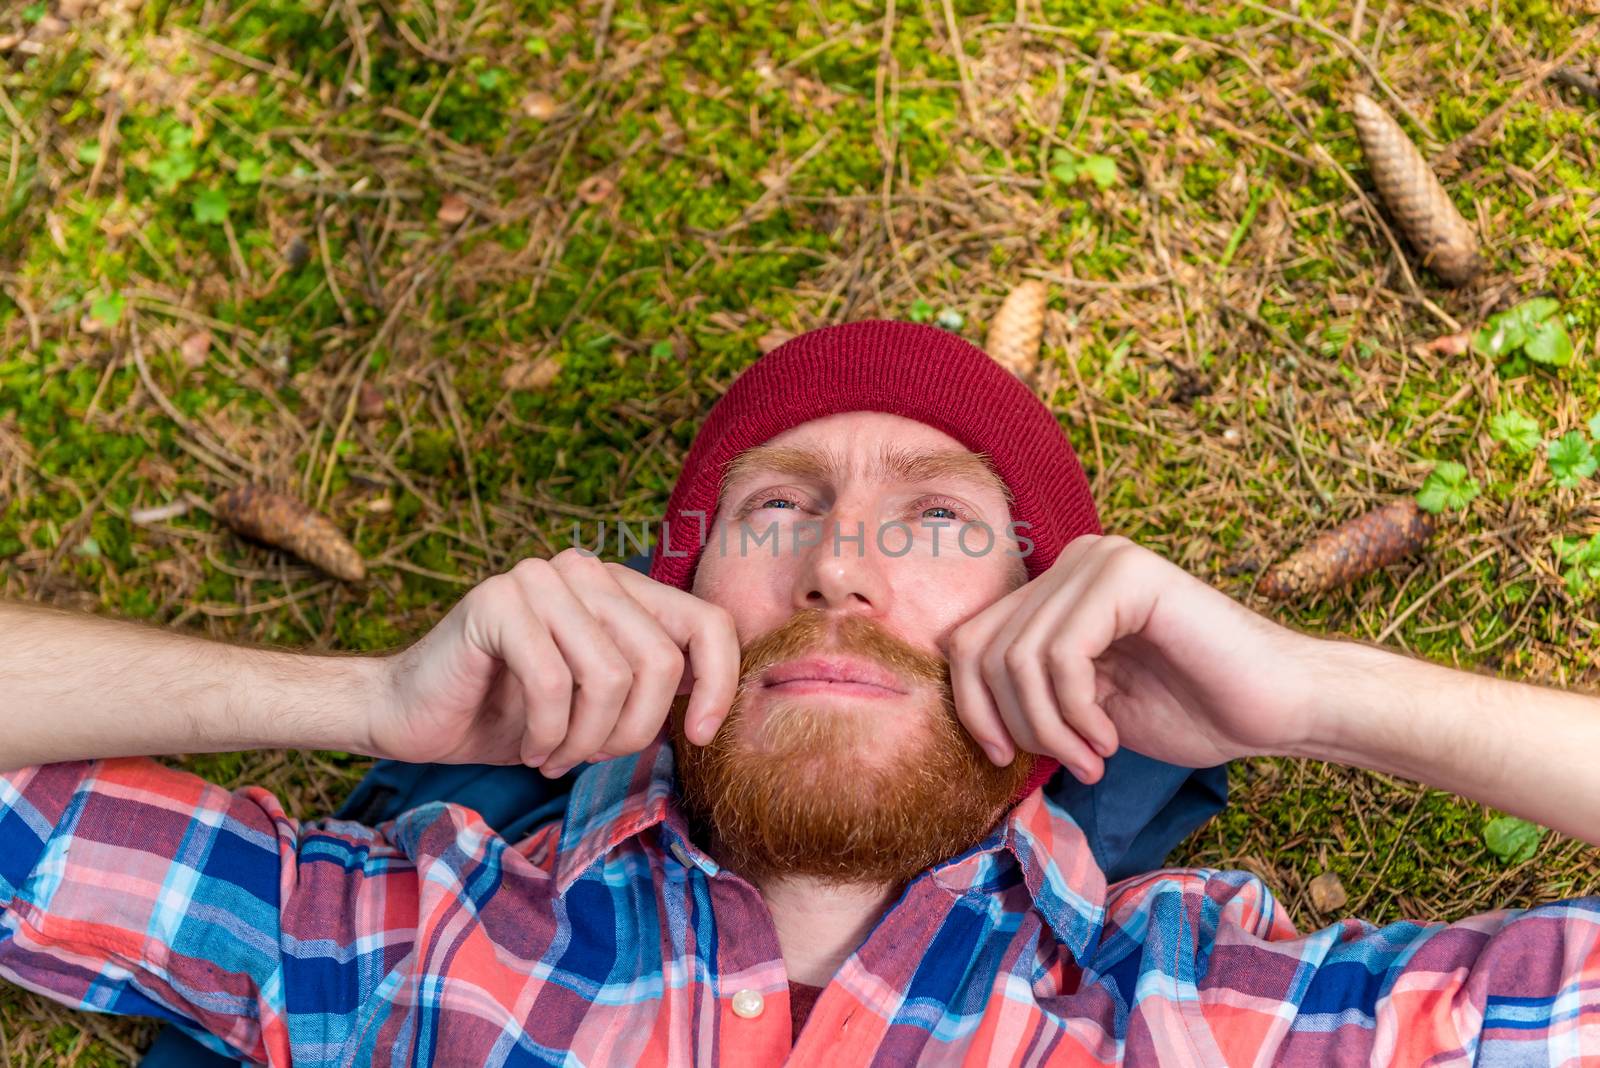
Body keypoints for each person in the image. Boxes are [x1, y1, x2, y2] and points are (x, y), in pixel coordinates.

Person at [1, 320, 1596, 1066]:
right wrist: (368, 705)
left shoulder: (1200, 1017)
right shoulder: (401, 943)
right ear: (673, 602)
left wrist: (1313, 695)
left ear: (1051, 619)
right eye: (775, 512)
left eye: (937, 522)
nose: (841, 570)